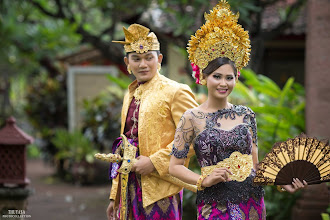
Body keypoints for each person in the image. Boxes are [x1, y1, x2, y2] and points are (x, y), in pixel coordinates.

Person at [169, 1, 308, 219]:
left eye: (229, 77)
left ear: (236, 78)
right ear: (204, 77)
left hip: (252, 203)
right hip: (214, 205)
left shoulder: (247, 115)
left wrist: (281, 182)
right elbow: (174, 166)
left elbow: (255, 165)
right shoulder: (191, 117)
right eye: (217, 76)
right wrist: (202, 180)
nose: (223, 83)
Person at [107, 23, 198, 220]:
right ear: (127, 62)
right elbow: (123, 147)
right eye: (136, 59)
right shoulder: (129, 94)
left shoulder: (175, 91)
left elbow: (193, 137)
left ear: (159, 59)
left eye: (149, 58)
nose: (143, 64)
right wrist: (115, 196)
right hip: (128, 186)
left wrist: (154, 162)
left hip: (162, 189)